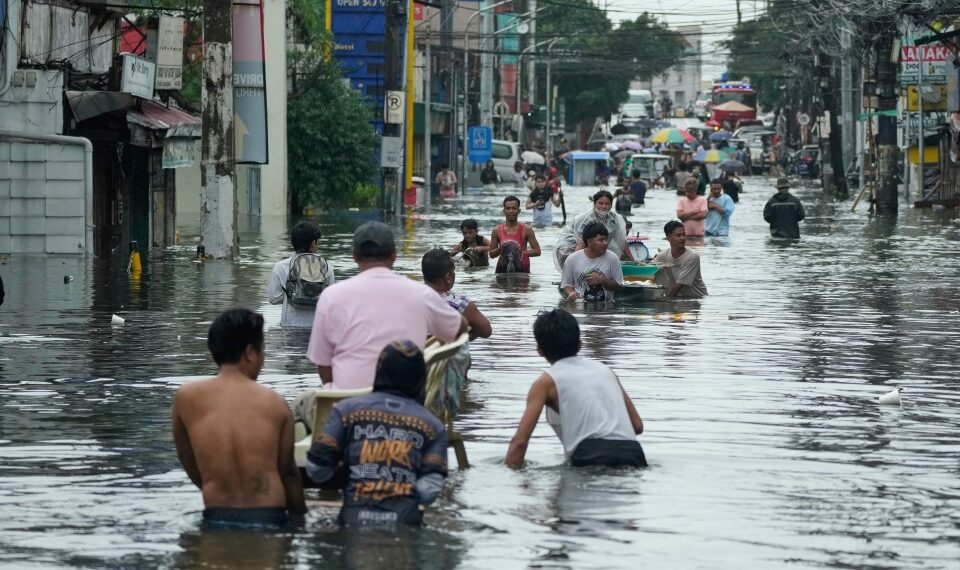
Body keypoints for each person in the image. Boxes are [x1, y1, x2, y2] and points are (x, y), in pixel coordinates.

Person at [172, 308, 307, 527]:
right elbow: (288, 473)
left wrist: (218, 487)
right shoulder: (275, 404)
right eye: (263, 350)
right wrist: (300, 521)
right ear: (250, 353)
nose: (264, 359)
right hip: (269, 516)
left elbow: (189, 462)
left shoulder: (186, 399)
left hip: (216, 514)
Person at [306, 221, 467, 390]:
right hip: (405, 400)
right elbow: (460, 328)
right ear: (394, 255)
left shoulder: (330, 296)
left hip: (345, 403)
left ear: (354, 256)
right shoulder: (422, 294)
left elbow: (323, 365)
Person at [305, 341, 449, 526]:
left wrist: (350, 472)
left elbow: (316, 470)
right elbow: (428, 493)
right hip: (404, 527)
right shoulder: (434, 427)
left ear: (379, 371)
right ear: (421, 377)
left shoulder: (345, 411)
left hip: (352, 523)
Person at [505, 309, 646, 468]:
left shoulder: (546, 382)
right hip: (634, 455)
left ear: (539, 350)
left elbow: (520, 443)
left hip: (589, 457)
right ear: (580, 344)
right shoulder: (606, 371)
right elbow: (637, 426)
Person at [422, 248, 492, 387]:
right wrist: (467, 334)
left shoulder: (410, 297)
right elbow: (486, 330)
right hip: (450, 373)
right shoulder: (460, 302)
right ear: (448, 278)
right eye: (454, 272)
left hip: (416, 367)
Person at [267, 222, 335, 328]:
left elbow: (273, 299)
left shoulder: (281, 267)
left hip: (290, 326)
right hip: (315, 328)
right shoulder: (327, 267)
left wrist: (292, 294)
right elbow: (330, 300)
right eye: (318, 242)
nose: (319, 245)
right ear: (313, 243)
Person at [561, 222, 624, 303]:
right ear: (589, 242)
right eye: (601, 240)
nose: (605, 243)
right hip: (580, 306)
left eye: (606, 239)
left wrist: (602, 280)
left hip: (606, 306)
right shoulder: (572, 259)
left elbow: (618, 285)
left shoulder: (613, 258)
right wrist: (572, 293)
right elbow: (567, 284)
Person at [570, 190, 634, 261]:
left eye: (607, 204)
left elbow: (621, 241)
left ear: (611, 205)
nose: (604, 206)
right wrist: (575, 262)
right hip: (582, 250)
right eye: (600, 203)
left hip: (601, 250)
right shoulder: (586, 219)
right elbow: (580, 243)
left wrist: (632, 260)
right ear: (594, 204)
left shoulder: (614, 219)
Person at [654, 220, 708, 298]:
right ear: (668, 238)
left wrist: (666, 300)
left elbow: (679, 285)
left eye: (683, 234)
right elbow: (649, 268)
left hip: (696, 298)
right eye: (678, 235)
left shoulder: (692, 257)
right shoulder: (663, 255)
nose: (682, 238)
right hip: (679, 297)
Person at [489, 196, 541, 274]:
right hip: (502, 270)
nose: (511, 211)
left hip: (522, 270)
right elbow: (491, 254)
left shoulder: (527, 229)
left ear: (519, 211)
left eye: (514, 208)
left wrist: (518, 253)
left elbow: (537, 251)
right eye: (508, 208)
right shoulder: (496, 230)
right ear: (504, 211)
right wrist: (502, 248)